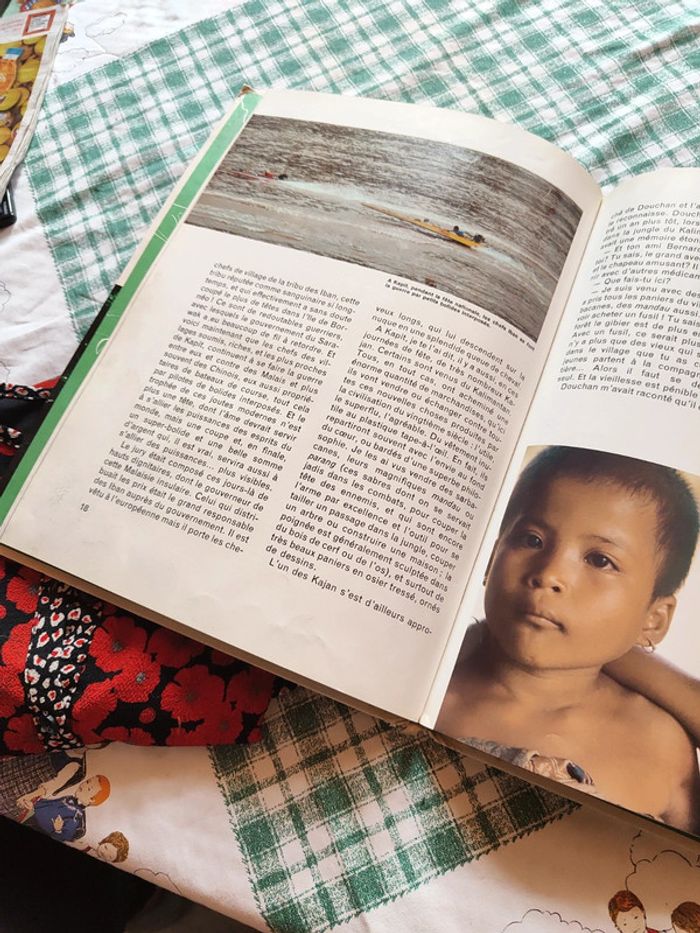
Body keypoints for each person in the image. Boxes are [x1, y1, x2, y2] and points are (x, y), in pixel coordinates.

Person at [436, 446, 700, 830]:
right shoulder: (431, 691)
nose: (549, 574)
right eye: (532, 540)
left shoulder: (661, 743)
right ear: (492, 557)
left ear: (654, 619)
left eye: (599, 560)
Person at [23, 773, 111, 842]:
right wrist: (34, 805)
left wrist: (58, 829)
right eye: (87, 781)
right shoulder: (69, 798)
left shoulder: (77, 816)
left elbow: (64, 837)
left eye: (89, 789)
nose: (83, 785)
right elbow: (50, 803)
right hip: (32, 821)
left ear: (92, 799)